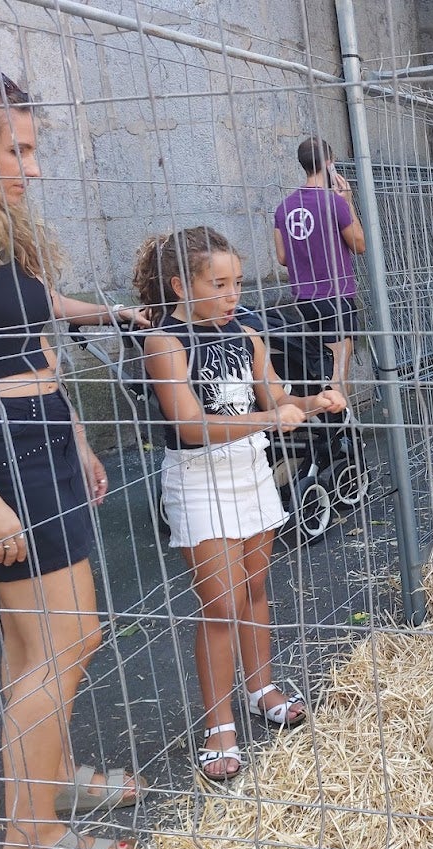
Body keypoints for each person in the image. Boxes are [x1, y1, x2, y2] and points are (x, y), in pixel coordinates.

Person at [0, 41, 142, 849]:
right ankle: (25, 842)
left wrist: (74, 431)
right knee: (68, 640)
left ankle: (53, 780)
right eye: (18, 149)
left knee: (36, 643)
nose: (32, 168)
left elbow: (35, 330)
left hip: (39, 432)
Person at [138, 226, 346, 782]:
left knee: (254, 589)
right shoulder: (166, 342)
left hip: (250, 469)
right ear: (181, 286)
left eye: (237, 283)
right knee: (220, 604)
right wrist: (268, 418)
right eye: (219, 284)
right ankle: (218, 724)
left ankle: (261, 687)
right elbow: (189, 424)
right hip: (199, 479)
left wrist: (311, 400)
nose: (233, 295)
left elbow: (273, 392)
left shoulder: (247, 331)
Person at [273, 136, 365, 394]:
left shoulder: (283, 208)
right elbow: (359, 245)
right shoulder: (335, 202)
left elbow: (282, 257)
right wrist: (348, 202)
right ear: (329, 163)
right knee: (337, 371)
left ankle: (327, 410)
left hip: (304, 298)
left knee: (324, 363)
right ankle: (338, 418)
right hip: (336, 296)